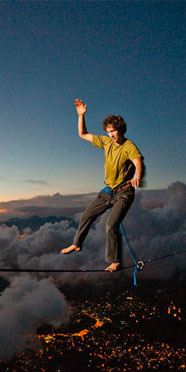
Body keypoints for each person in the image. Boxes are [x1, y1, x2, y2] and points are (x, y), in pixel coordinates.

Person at [62, 99, 144, 272]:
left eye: (114, 131)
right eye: (109, 132)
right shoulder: (106, 142)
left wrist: (137, 175)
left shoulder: (128, 146)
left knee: (110, 225)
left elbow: (137, 160)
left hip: (124, 193)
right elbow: (83, 134)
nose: (111, 135)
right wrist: (81, 116)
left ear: (120, 130)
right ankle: (76, 244)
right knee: (86, 216)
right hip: (108, 191)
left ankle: (115, 260)